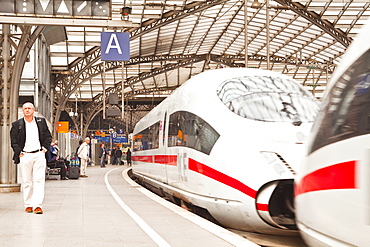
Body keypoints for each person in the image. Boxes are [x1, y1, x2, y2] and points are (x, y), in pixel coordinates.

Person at [10, 102, 52, 214]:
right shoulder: (16, 125)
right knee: (27, 181)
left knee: (39, 180)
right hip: (25, 155)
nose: (27, 110)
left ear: (33, 110)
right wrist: (19, 152)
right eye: (25, 109)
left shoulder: (41, 122)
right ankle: (28, 204)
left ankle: (37, 205)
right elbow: (13, 141)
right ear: (23, 111)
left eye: (29, 108)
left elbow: (48, 136)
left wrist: (44, 149)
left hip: (39, 154)